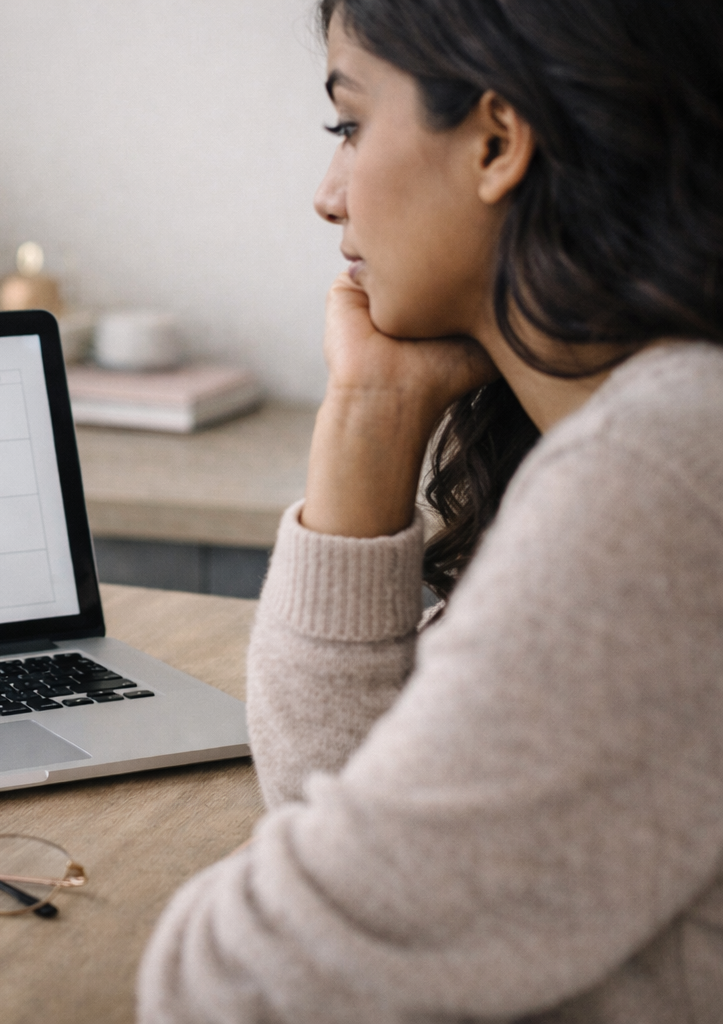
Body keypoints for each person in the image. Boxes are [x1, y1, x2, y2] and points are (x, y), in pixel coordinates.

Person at [137, 0, 723, 1019]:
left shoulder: (664, 472)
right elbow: (349, 830)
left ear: (498, 140)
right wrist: (371, 410)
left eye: (348, 127)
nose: (328, 197)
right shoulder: (635, 434)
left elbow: (243, 984)